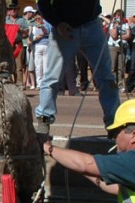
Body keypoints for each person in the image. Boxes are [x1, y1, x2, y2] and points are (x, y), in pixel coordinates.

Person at [34, 0, 121, 135]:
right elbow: (42, 3)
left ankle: (114, 122)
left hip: (92, 25)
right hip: (64, 26)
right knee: (52, 77)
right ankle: (44, 119)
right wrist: (57, 23)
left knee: (106, 77)